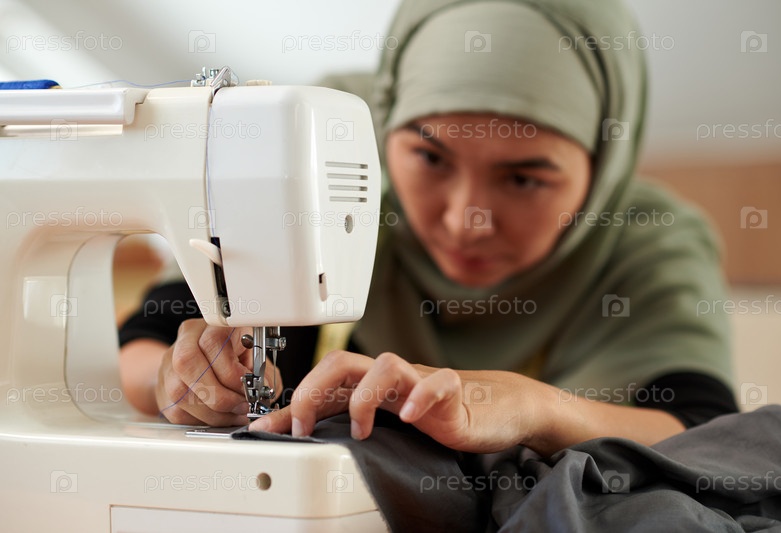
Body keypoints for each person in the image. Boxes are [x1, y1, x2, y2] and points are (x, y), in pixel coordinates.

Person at [119, 0, 738, 457]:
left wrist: (534, 407)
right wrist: (179, 378)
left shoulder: (649, 245)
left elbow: (707, 434)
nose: (465, 220)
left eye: (524, 179)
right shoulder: (324, 168)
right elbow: (144, 345)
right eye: (431, 158)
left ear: (602, 167)